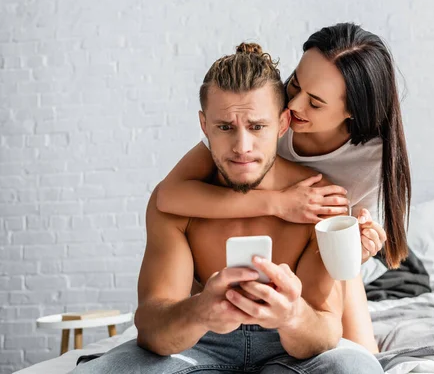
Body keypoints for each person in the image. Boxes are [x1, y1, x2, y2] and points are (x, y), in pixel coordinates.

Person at [69, 44, 383, 374]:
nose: (242, 147)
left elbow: (323, 330)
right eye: (225, 127)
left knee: (357, 367)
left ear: (283, 124)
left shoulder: (322, 204)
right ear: (204, 126)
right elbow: (151, 325)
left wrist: (291, 315)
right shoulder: (175, 204)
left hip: (291, 352)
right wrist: (201, 311)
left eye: (257, 127)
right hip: (198, 343)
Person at [156, 23, 412, 352]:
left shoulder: (372, 161)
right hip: (262, 245)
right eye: (296, 84)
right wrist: (279, 203)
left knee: (362, 358)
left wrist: (357, 248)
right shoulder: (258, 122)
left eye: (315, 103)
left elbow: (342, 236)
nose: (294, 106)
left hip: (322, 258)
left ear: (353, 111)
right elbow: (169, 195)